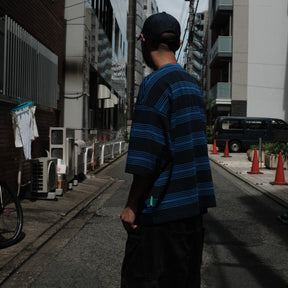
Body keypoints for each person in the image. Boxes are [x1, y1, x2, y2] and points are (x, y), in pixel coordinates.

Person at [120, 12, 216, 288]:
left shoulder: (154, 84)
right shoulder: (192, 86)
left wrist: (131, 204)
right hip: (192, 214)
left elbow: (147, 155)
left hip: (160, 212)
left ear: (143, 40)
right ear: (179, 42)